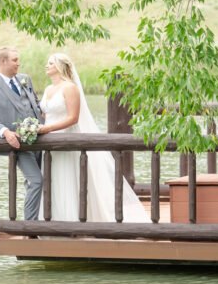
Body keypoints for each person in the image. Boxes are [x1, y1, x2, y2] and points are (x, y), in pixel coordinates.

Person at [37, 52, 150, 224]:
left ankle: (73, 220)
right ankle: (52, 219)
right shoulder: (47, 89)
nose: (47, 66)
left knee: (68, 177)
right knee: (53, 179)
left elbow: (72, 118)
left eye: (50, 63)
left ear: (60, 67)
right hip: (48, 142)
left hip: (66, 138)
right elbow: (47, 114)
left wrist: (47, 129)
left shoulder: (70, 88)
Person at [0, 46, 43, 221]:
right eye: (15, 60)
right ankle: (30, 227)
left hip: (41, 140)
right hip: (18, 145)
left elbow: (36, 104)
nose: (19, 63)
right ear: (3, 62)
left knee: (37, 182)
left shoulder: (25, 79)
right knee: (36, 181)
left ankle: (39, 221)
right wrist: (6, 132)